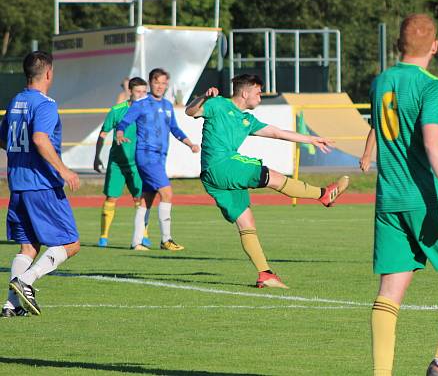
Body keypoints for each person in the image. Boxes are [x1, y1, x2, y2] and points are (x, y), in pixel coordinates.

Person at [360, 13, 438, 376]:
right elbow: (433, 140)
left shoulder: (381, 81)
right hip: (425, 198)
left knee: (390, 292)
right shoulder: (431, 85)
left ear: (399, 44)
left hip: (388, 200)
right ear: (435, 46)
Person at [185, 75, 349, 288]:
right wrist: (203, 98)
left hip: (213, 177)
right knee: (270, 175)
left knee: (246, 222)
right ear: (245, 93)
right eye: (258, 92)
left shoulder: (247, 120)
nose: (260, 97)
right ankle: (323, 194)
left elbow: (277, 133)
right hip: (222, 164)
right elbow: (190, 111)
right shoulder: (217, 104)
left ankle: (265, 273)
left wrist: (311, 139)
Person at [0, 51, 81, 317]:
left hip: (18, 184)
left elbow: (4, 138)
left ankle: (10, 306)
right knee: (71, 244)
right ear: (48, 73)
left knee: (28, 247)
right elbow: (40, 139)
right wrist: (64, 170)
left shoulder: (15, 102)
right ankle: (27, 280)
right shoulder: (45, 104)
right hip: (42, 185)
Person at [116, 68, 199, 251]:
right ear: (150, 83)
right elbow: (123, 122)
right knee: (167, 193)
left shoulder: (168, 106)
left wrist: (190, 144)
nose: (160, 86)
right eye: (157, 82)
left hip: (160, 157)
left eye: (163, 83)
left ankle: (136, 242)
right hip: (146, 155)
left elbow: (175, 129)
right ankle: (166, 239)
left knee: (147, 198)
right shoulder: (141, 104)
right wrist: (120, 133)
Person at [93, 77, 152, 248]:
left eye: (144, 92)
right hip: (117, 163)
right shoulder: (117, 110)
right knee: (111, 197)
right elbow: (103, 134)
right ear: (130, 91)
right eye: (138, 91)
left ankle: (144, 235)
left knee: (140, 199)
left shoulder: (149, 111)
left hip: (138, 164)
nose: (142, 95)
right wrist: (96, 157)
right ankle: (103, 237)